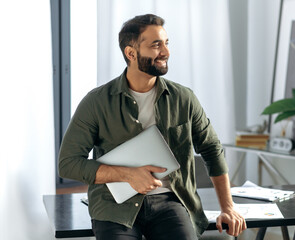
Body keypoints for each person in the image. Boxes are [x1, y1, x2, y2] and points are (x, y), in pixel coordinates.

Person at [58, 14, 247, 240]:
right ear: (131, 53)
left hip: (170, 202)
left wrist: (228, 207)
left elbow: (211, 149)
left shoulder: (184, 98)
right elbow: (68, 164)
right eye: (156, 45)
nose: (166, 52)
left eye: (166, 43)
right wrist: (127, 175)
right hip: (114, 207)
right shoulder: (96, 102)